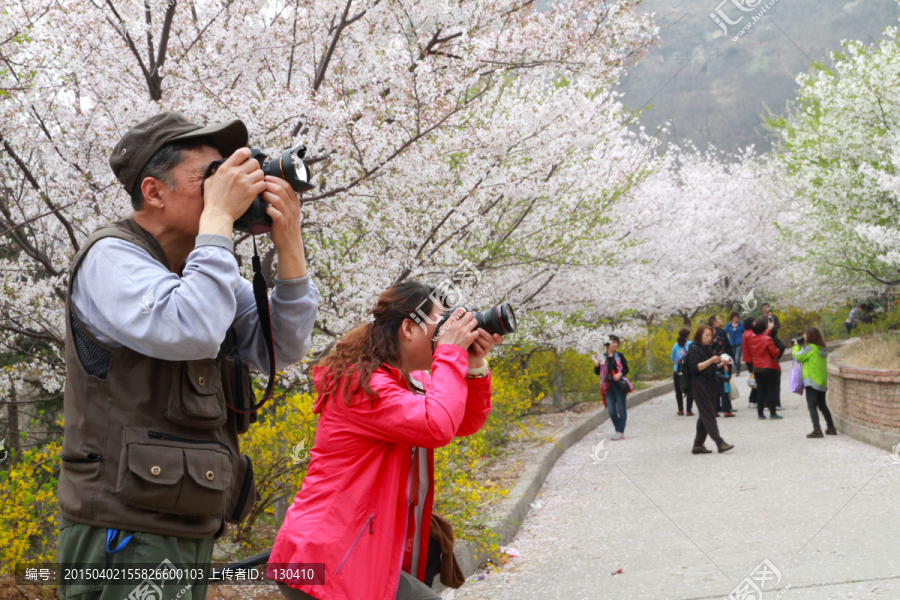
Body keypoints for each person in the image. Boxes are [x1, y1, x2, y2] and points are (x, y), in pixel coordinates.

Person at [57, 112, 320, 600]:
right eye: (212, 177)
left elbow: (282, 347)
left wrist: (290, 246)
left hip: (186, 518)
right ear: (154, 192)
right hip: (125, 524)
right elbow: (191, 329)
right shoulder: (112, 258)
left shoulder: (203, 268)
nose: (230, 186)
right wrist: (218, 223)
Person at [267, 283, 503, 600]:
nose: (451, 331)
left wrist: (472, 364)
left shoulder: (408, 381)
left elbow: (463, 421)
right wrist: (450, 353)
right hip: (324, 558)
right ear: (408, 327)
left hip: (352, 555)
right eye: (442, 322)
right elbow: (437, 426)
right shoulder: (362, 384)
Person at [684, 325, 734, 454]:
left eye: (710, 335)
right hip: (698, 384)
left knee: (704, 415)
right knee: (709, 414)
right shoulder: (694, 348)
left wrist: (719, 364)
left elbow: (708, 368)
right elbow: (695, 368)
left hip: (708, 383)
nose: (708, 338)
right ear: (699, 334)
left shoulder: (705, 348)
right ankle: (720, 442)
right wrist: (711, 360)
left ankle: (698, 445)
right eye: (706, 335)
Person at [794, 327, 837, 438]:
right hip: (821, 381)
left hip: (811, 380)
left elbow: (797, 357)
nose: (804, 337)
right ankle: (831, 427)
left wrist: (796, 346)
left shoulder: (809, 348)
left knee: (812, 405)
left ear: (809, 336)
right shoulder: (822, 349)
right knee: (822, 405)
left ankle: (817, 430)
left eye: (805, 335)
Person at [594, 335, 633, 440]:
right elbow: (597, 372)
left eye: (617, 342)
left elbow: (626, 369)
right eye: (613, 342)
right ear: (608, 343)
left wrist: (620, 374)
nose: (615, 344)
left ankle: (620, 431)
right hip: (607, 386)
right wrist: (597, 363)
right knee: (611, 410)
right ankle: (618, 430)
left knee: (621, 409)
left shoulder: (619, 356)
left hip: (619, 386)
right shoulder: (602, 356)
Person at [746, 317, 783, 419]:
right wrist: (778, 350)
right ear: (763, 329)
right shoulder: (768, 339)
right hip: (769, 368)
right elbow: (774, 352)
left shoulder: (752, 339)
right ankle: (772, 413)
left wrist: (769, 329)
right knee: (771, 390)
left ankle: (760, 414)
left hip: (757, 368)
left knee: (761, 391)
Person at [708, 316, 735, 417]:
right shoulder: (720, 336)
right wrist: (726, 364)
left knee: (714, 387)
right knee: (724, 386)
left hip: (710, 364)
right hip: (721, 362)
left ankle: (715, 409)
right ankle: (726, 409)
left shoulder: (706, 341)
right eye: (719, 319)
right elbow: (723, 351)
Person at [671, 328, 693, 416]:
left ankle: (680, 409)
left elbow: (672, 358)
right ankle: (688, 410)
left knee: (678, 390)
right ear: (688, 335)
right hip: (688, 371)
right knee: (689, 389)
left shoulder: (675, 345)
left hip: (677, 370)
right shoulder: (690, 344)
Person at [742, 316, 757, 409]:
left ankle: (752, 400)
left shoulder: (746, 333)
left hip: (748, 359)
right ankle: (753, 400)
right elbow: (753, 349)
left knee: (755, 379)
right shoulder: (751, 334)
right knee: (756, 380)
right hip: (753, 360)